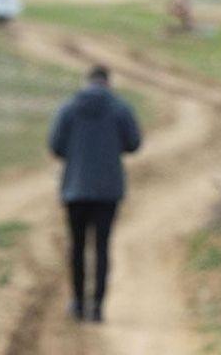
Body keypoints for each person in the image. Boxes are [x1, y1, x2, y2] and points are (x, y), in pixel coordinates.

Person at [48, 64, 142, 322]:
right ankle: (97, 308)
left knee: (77, 247)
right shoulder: (120, 108)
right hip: (108, 190)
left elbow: (55, 146)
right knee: (101, 248)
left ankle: (78, 303)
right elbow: (134, 144)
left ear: (86, 81)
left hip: (74, 189)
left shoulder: (69, 108)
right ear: (108, 83)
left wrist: (78, 153)